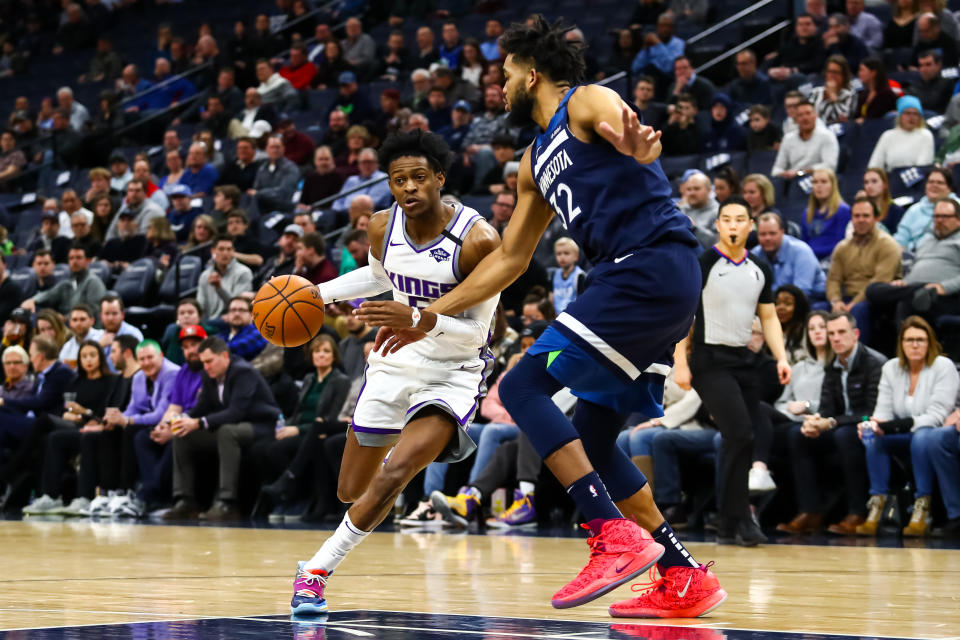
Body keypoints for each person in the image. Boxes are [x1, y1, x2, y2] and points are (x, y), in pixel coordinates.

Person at [358, 18, 726, 618]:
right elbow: (508, 258)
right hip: (648, 281)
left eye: (504, 73)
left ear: (532, 73)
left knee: (524, 385)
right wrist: (427, 313)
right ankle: (682, 573)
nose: (498, 86)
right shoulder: (532, 163)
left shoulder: (586, 103)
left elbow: (619, 120)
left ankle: (610, 534)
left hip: (649, 265)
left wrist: (637, 148)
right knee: (597, 441)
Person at [282, 130, 502, 614]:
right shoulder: (383, 226)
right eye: (398, 179)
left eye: (419, 178)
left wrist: (420, 320)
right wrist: (317, 294)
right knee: (351, 490)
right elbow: (383, 277)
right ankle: (378, 497)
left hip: (454, 368)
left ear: (440, 179)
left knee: (397, 471)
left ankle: (315, 572)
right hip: (394, 362)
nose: (408, 188)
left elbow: (478, 335)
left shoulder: (478, 239)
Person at [672, 197, 791, 545]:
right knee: (740, 434)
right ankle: (742, 519)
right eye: (727, 219)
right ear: (719, 225)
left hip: (744, 359)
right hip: (709, 361)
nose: (734, 225)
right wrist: (680, 361)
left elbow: (768, 317)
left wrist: (781, 357)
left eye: (741, 219)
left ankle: (728, 522)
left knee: (740, 439)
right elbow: (685, 317)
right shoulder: (704, 262)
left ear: (750, 225)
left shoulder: (760, 268)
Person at [776, 312, 884, 535]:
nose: (835, 338)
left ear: (856, 334)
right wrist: (815, 421)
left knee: (844, 435)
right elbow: (827, 407)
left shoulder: (874, 363)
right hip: (840, 428)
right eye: (832, 333)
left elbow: (871, 412)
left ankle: (857, 512)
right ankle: (811, 511)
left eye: (841, 332)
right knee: (798, 434)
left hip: (870, 428)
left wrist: (831, 422)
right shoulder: (833, 364)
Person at [857, 316, 959, 536]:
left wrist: (895, 425)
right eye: (909, 339)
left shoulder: (943, 366)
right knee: (874, 438)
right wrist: (873, 425)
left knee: (923, 436)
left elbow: (938, 416)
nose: (915, 345)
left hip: (932, 434)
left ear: (930, 343)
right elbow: (882, 413)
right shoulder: (891, 368)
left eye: (920, 340)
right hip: (905, 434)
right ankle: (877, 504)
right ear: (901, 344)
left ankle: (922, 506)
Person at [164, 337, 279, 521]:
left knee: (227, 431)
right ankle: (185, 501)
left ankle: (227, 502)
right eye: (203, 362)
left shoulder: (244, 373)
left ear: (224, 356)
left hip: (260, 426)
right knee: (183, 435)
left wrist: (199, 423)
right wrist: (183, 419)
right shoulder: (209, 374)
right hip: (232, 426)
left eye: (209, 361)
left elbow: (236, 413)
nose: (206, 366)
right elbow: (202, 406)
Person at [252, 334, 351, 513]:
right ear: (311, 355)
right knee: (262, 447)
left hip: (316, 431)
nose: (321, 355)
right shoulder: (308, 379)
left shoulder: (340, 381)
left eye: (326, 351)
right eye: (317, 351)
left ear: (334, 356)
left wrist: (297, 430)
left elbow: (332, 417)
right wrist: (284, 428)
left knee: (278, 449)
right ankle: (284, 495)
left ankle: (291, 488)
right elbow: (298, 411)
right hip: (300, 429)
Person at [867, 197, 960, 327]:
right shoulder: (927, 241)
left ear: (958, 219)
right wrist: (904, 281)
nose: (939, 220)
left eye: (945, 216)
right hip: (914, 288)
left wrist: (944, 287)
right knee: (873, 290)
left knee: (910, 301)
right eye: (936, 216)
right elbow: (915, 267)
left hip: (945, 297)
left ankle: (904, 346)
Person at [827, 196, 903, 341]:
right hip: (847, 299)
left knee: (858, 310)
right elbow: (833, 279)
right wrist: (836, 302)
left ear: (876, 218)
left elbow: (879, 281)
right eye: (857, 216)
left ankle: (857, 357)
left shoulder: (888, 245)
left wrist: (853, 304)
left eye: (866, 216)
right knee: (818, 308)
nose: (861, 220)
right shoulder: (842, 248)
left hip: (876, 301)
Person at [750, 212, 825, 299]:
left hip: (811, 302)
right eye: (762, 234)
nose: (767, 238)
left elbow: (801, 292)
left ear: (782, 232)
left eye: (772, 233)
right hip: (774, 303)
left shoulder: (801, 251)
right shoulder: (755, 254)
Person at [771, 101, 839, 178]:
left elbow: (830, 166)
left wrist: (801, 172)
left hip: (817, 178)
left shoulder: (827, 136)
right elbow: (776, 170)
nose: (805, 118)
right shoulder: (788, 138)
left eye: (808, 113)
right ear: (796, 119)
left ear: (815, 115)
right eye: (800, 115)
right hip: (793, 181)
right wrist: (785, 174)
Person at [893, 168, 956, 251]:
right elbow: (900, 238)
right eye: (931, 182)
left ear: (949, 188)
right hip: (912, 256)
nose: (934, 185)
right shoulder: (914, 210)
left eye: (940, 183)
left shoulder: (957, 207)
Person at [867, 96, 934, 172]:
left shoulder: (925, 135)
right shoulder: (888, 135)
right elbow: (875, 164)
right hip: (890, 178)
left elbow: (923, 166)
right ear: (900, 116)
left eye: (915, 114)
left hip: (915, 179)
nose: (911, 117)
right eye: (907, 113)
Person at [197, 236, 254, 319]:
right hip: (208, 320)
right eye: (221, 249)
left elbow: (237, 306)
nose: (225, 253)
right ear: (213, 251)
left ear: (233, 251)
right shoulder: (205, 275)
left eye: (229, 249)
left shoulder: (244, 272)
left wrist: (219, 288)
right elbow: (200, 305)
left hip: (231, 319)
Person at [801, 168, 850, 260]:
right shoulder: (806, 213)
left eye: (823, 182)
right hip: (810, 258)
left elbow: (841, 243)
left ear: (833, 185)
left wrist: (813, 252)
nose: (819, 186)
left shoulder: (843, 210)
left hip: (833, 259)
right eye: (815, 182)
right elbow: (804, 243)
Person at [809, 56, 856, 125]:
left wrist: (833, 96)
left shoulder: (850, 95)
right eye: (829, 71)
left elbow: (844, 119)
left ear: (844, 75)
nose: (832, 75)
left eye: (836, 72)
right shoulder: (816, 92)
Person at [862, 168, 906, 235]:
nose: (869, 186)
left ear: (884, 184)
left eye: (874, 181)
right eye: (866, 182)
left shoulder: (896, 211)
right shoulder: (860, 209)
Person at [550, 237, 586, 315]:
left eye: (566, 253)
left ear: (576, 256)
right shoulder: (554, 274)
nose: (562, 257)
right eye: (559, 254)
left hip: (572, 316)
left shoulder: (579, 276)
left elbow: (582, 301)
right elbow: (551, 297)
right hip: (556, 316)